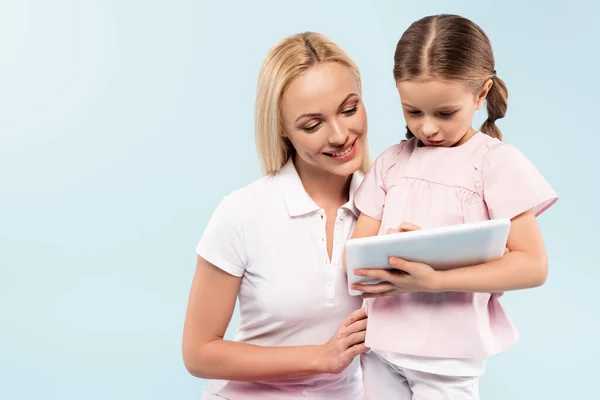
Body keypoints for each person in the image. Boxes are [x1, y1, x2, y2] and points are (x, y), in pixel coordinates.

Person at [347, 14, 559, 399]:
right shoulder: (392, 161)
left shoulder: (494, 163)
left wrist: (436, 278)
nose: (427, 128)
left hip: (447, 360)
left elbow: (532, 265)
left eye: (444, 113)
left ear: (481, 94)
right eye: (412, 111)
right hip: (378, 349)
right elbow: (356, 260)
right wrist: (393, 251)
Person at [182, 32, 372, 399]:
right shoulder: (241, 214)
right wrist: (321, 357)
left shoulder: (388, 207)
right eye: (312, 125)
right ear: (283, 129)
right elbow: (198, 352)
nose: (339, 134)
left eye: (349, 109)